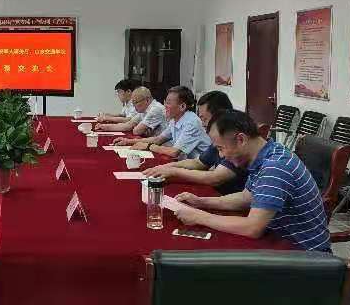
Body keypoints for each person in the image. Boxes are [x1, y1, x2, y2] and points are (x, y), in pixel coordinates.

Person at [173, 110, 330, 252]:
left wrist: (199, 217)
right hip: (280, 243)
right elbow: (245, 198)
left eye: (221, 148)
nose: (221, 156)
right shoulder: (267, 153)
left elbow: (253, 228)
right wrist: (200, 202)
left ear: (241, 139)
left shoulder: (275, 167)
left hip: (306, 258)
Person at [143, 90, 248, 194]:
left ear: (220, 117)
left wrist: (174, 171)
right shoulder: (219, 137)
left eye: (204, 119)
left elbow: (215, 178)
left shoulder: (233, 138)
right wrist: (166, 167)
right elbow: (199, 162)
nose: (202, 124)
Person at [115, 85, 210, 158]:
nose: (165, 106)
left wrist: (148, 146)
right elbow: (158, 139)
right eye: (165, 102)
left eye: (168, 103)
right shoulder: (175, 119)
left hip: (205, 169)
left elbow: (174, 152)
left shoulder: (191, 122)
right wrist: (128, 141)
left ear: (182, 106)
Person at [95, 86, 165, 135]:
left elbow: (136, 131)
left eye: (136, 102)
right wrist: (104, 126)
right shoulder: (144, 109)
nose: (134, 106)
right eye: (133, 103)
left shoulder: (155, 109)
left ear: (147, 100)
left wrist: (138, 128)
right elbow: (128, 125)